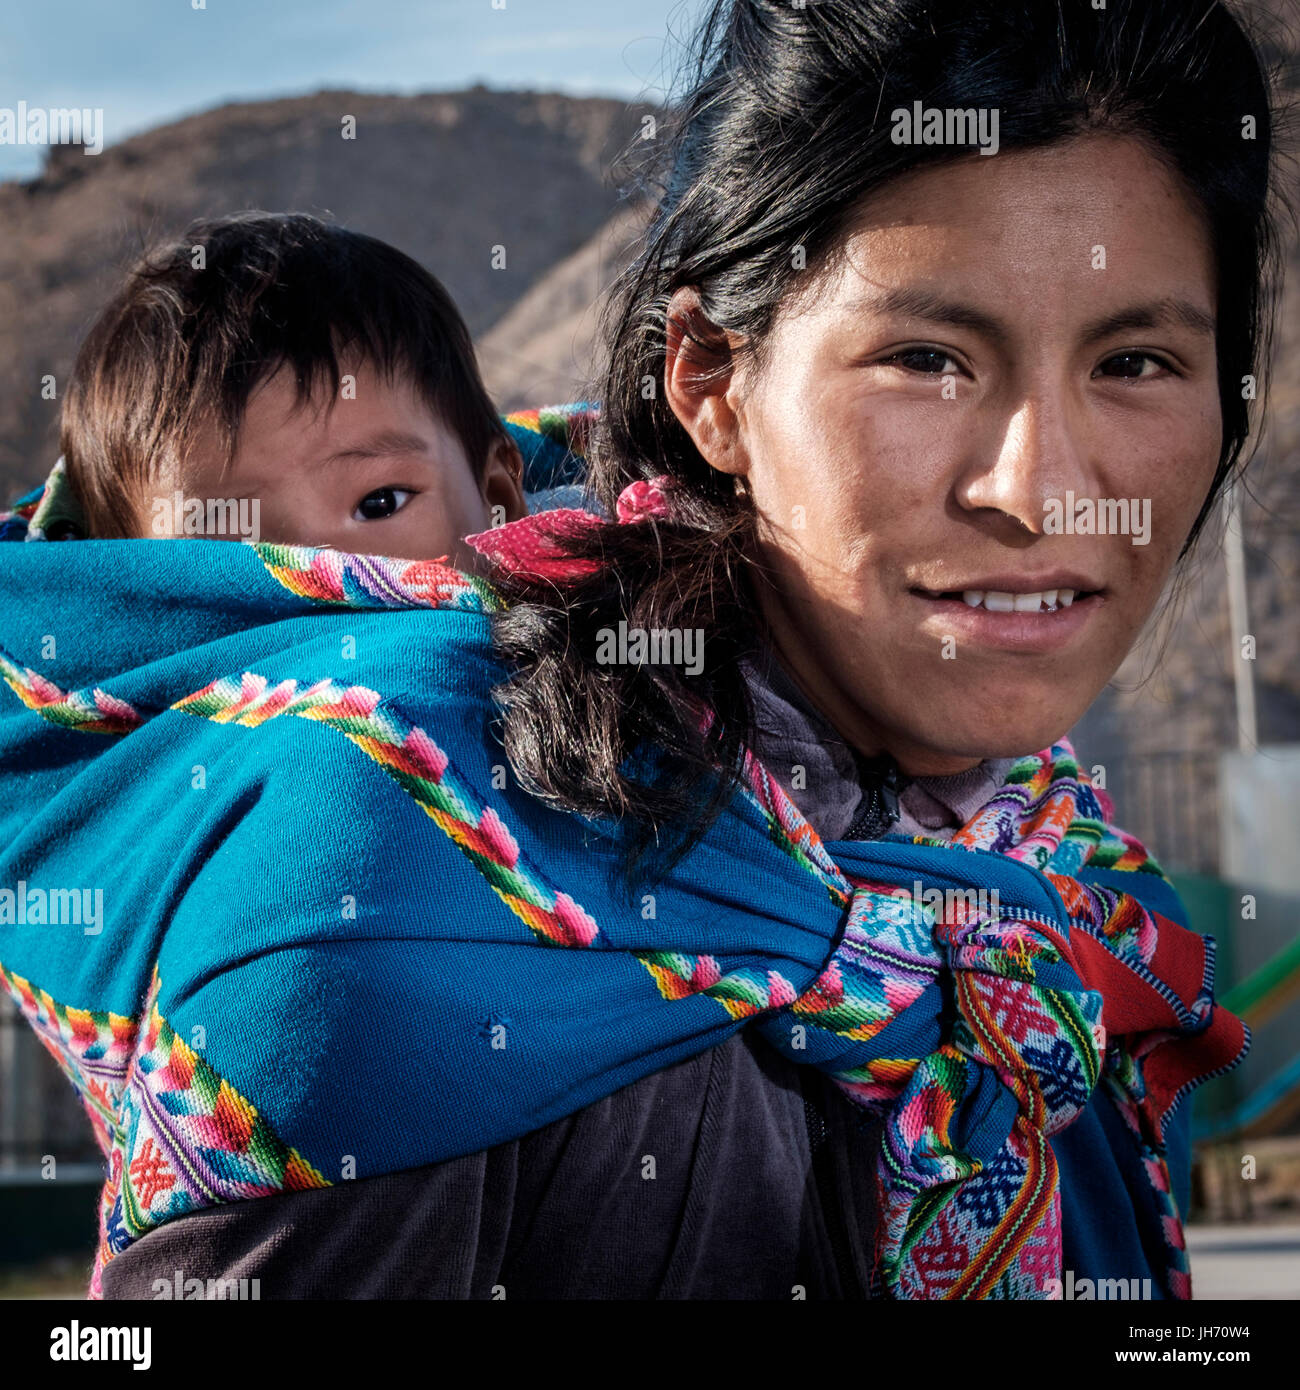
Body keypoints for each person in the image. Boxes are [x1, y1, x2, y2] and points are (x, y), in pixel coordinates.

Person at [0, 0, 1286, 1300]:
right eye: (927, 357)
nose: (1041, 489)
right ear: (711, 384)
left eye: (1133, 359)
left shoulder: (1064, 900)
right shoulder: (393, 870)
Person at [50, 210, 527, 562]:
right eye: (233, 545)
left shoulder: (573, 663)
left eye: (380, 504)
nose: (321, 569)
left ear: (496, 498)